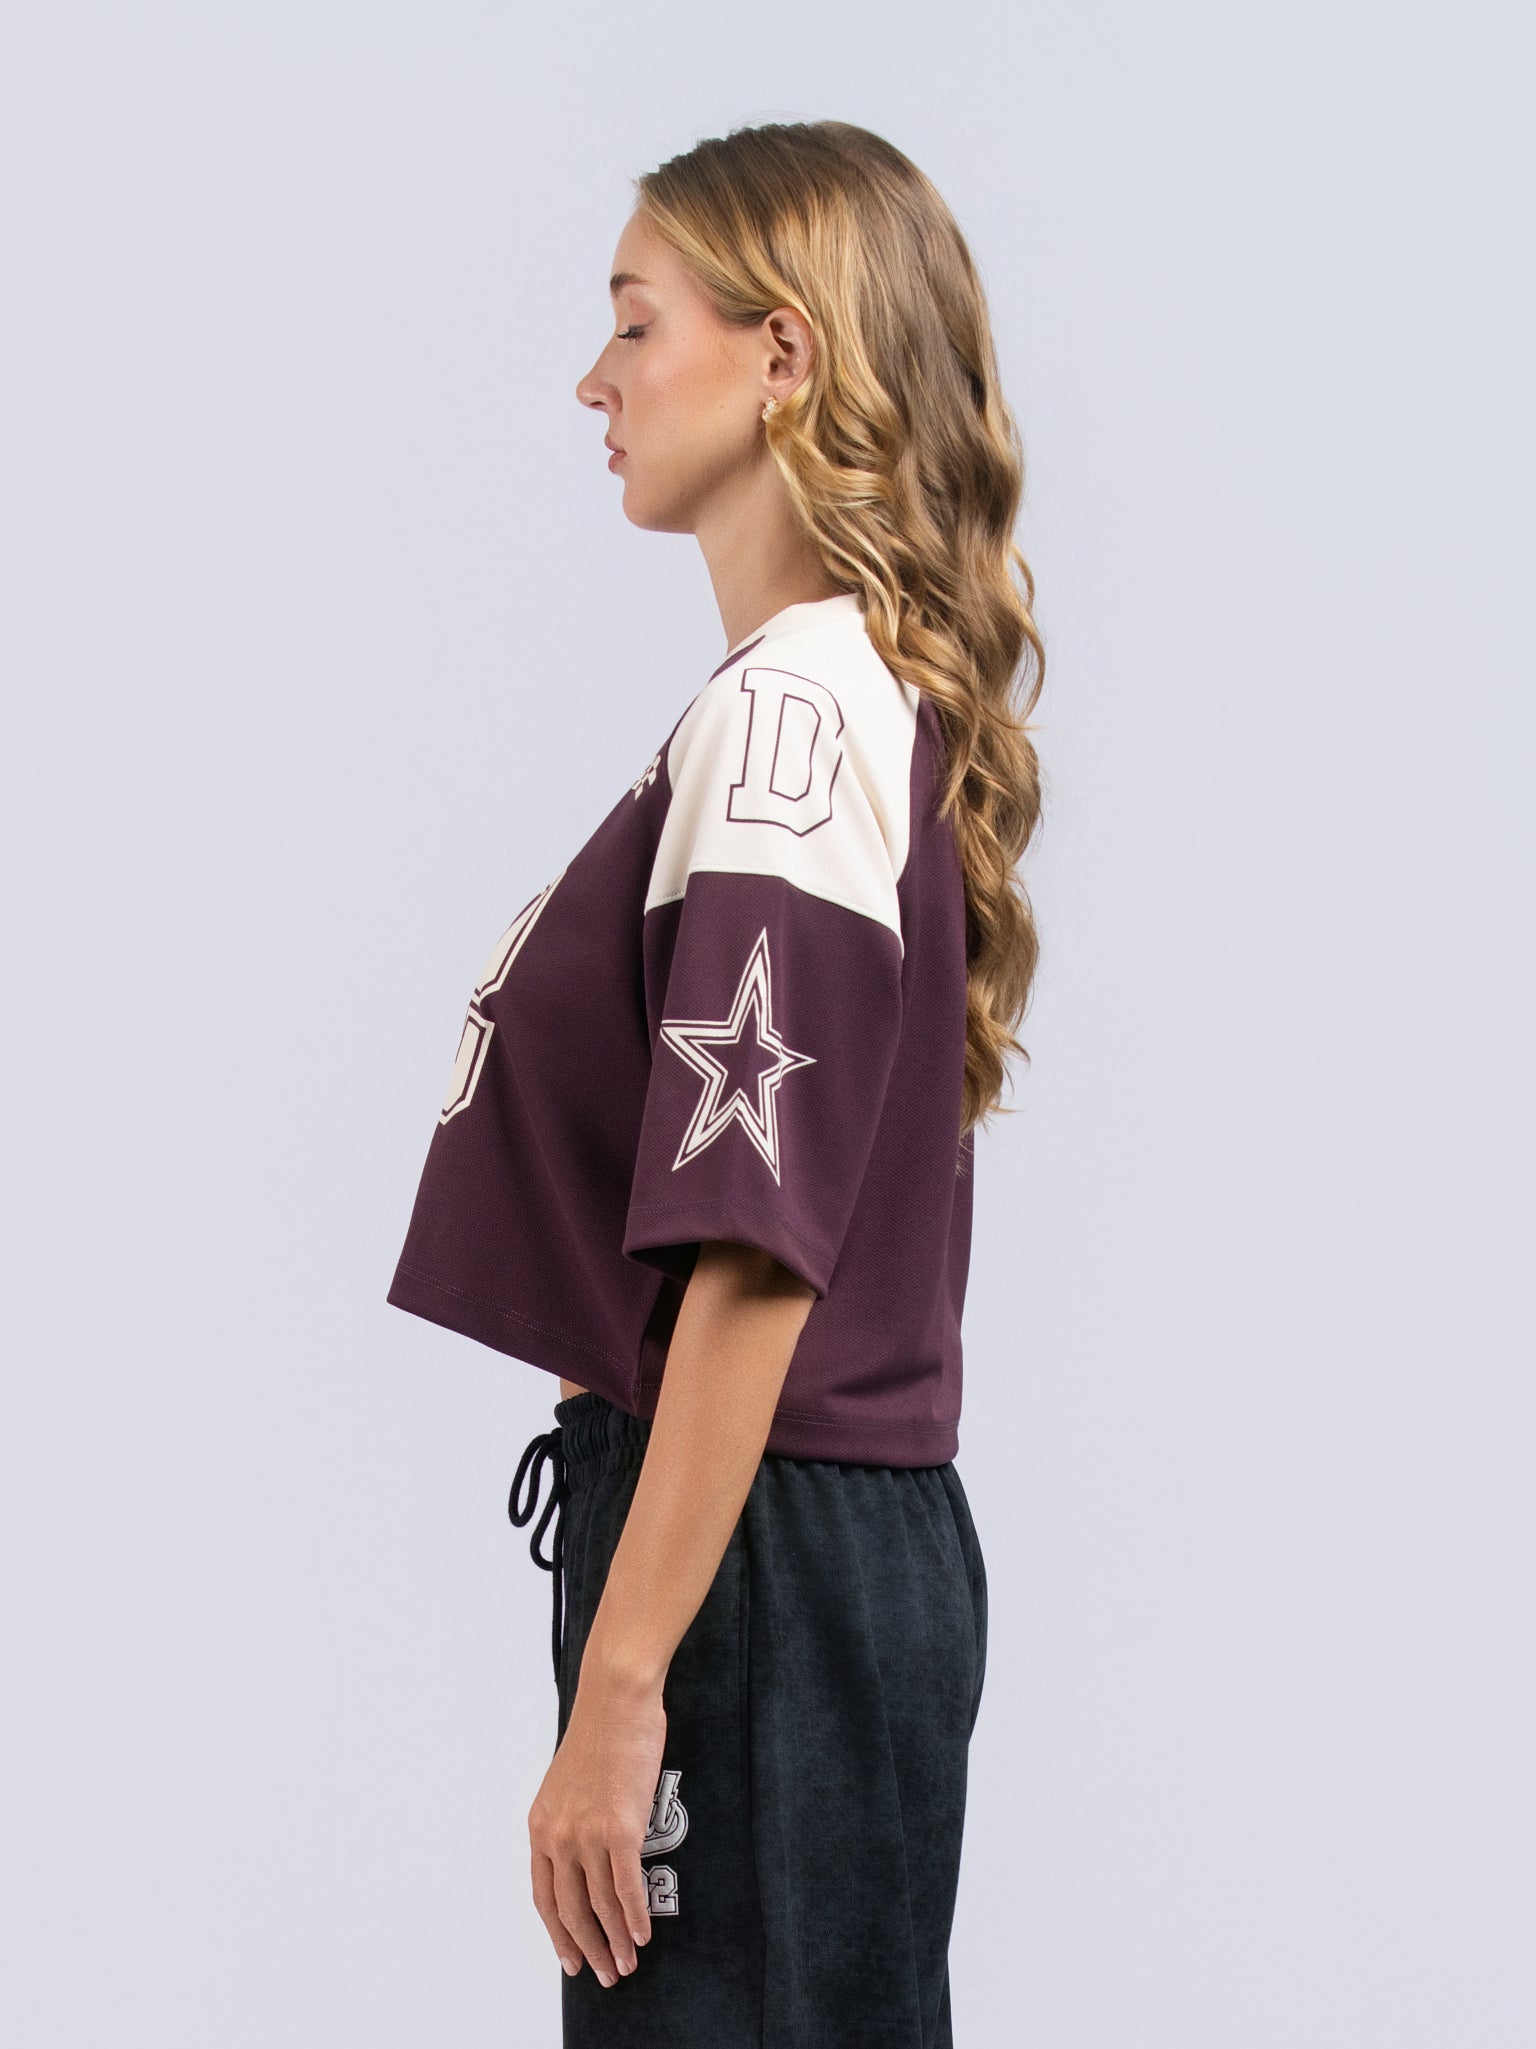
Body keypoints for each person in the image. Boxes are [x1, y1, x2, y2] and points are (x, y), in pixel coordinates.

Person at [386, 117, 1043, 2047]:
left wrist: (623, 1681)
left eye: (633, 321)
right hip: (790, 1556)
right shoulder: (834, 704)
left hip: (752, 1563)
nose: (593, 381)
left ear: (783, 358)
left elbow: (754, 1259)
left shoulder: (787, 722)